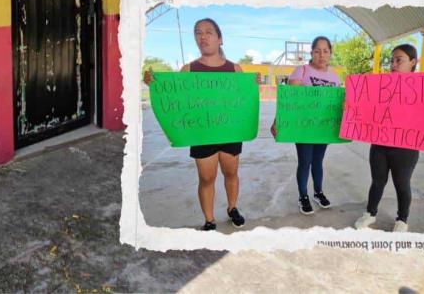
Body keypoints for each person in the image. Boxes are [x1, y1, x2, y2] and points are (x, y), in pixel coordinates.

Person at [144, 18, 257, 231]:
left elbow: (245, 101)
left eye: (208, 32)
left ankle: (232, 208)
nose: (202, 36)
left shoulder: (235, 69)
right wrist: (154, 84)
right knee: (206, 178)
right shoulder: (188, 69)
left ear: (220, 39)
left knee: (231, 173)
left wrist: (254, 85)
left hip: (230, 132)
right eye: (198, 32)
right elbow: (176, 100)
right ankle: (209, 219)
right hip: (201, 134)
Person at [354, 44, 424, 233]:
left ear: (413, 62)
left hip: (406, 147)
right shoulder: (380, 86)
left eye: (399, 60)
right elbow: (366, 109)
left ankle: (402, 219)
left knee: (402, 183)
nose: (394, 65)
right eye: (392, 60)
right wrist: (354, 103)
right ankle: (370, 214)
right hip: (380, 144)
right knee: (377, 181)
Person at [271, 36, 340, 215]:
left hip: (323, 128)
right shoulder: (301, 71)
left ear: (330, 53)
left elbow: (338, 105)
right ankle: (303, 196)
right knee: (305, 162)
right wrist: (277, 121)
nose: (321, 55)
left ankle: (318, 192)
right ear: (311, 53)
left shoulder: (334, 77)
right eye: (317, 51)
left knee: (318, 161)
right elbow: (290, 102)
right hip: (304, 127)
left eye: (325, 51)